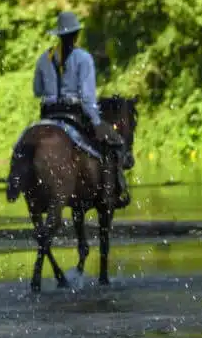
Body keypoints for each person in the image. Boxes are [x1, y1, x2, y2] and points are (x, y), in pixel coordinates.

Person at [33, 11, 131, 207]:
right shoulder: (83, 58)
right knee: (114, 144)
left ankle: (23, 185)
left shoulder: (45, 58)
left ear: (59, 35)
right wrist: (96, 122)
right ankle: (114, 192)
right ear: (76, 35)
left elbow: (37, 90)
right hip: (74, 114)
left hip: (48, 115)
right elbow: (87, 99)